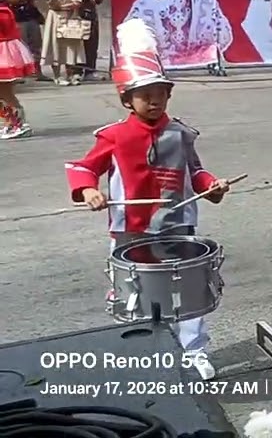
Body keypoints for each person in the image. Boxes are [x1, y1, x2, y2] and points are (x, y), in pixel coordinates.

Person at [65, 19, 230, 379]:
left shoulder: (181, 133)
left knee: (187, 290)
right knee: (141, 294)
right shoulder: (114, 136)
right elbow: (82, 167)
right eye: (145, 95)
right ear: (127, 99)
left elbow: (196, 173)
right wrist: (88, 190)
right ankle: (154, 352)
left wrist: (212, 185)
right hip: (132, 227)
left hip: (179, 223)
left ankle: (194, 351)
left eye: (161, 93)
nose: (155, 100)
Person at [0, 0, 37, 137]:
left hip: (3, 54)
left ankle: (19, 124)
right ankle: (9, 122)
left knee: (6, 93)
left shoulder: (2, 11)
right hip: (5, 52)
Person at [42, 0, 86, 85]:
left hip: (70, 17)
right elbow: (51, 4)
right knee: (55, 45)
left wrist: (62, 7)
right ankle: (57, 76)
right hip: (55, 18)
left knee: (70, 47)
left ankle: (70, 74)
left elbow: (77, 2)